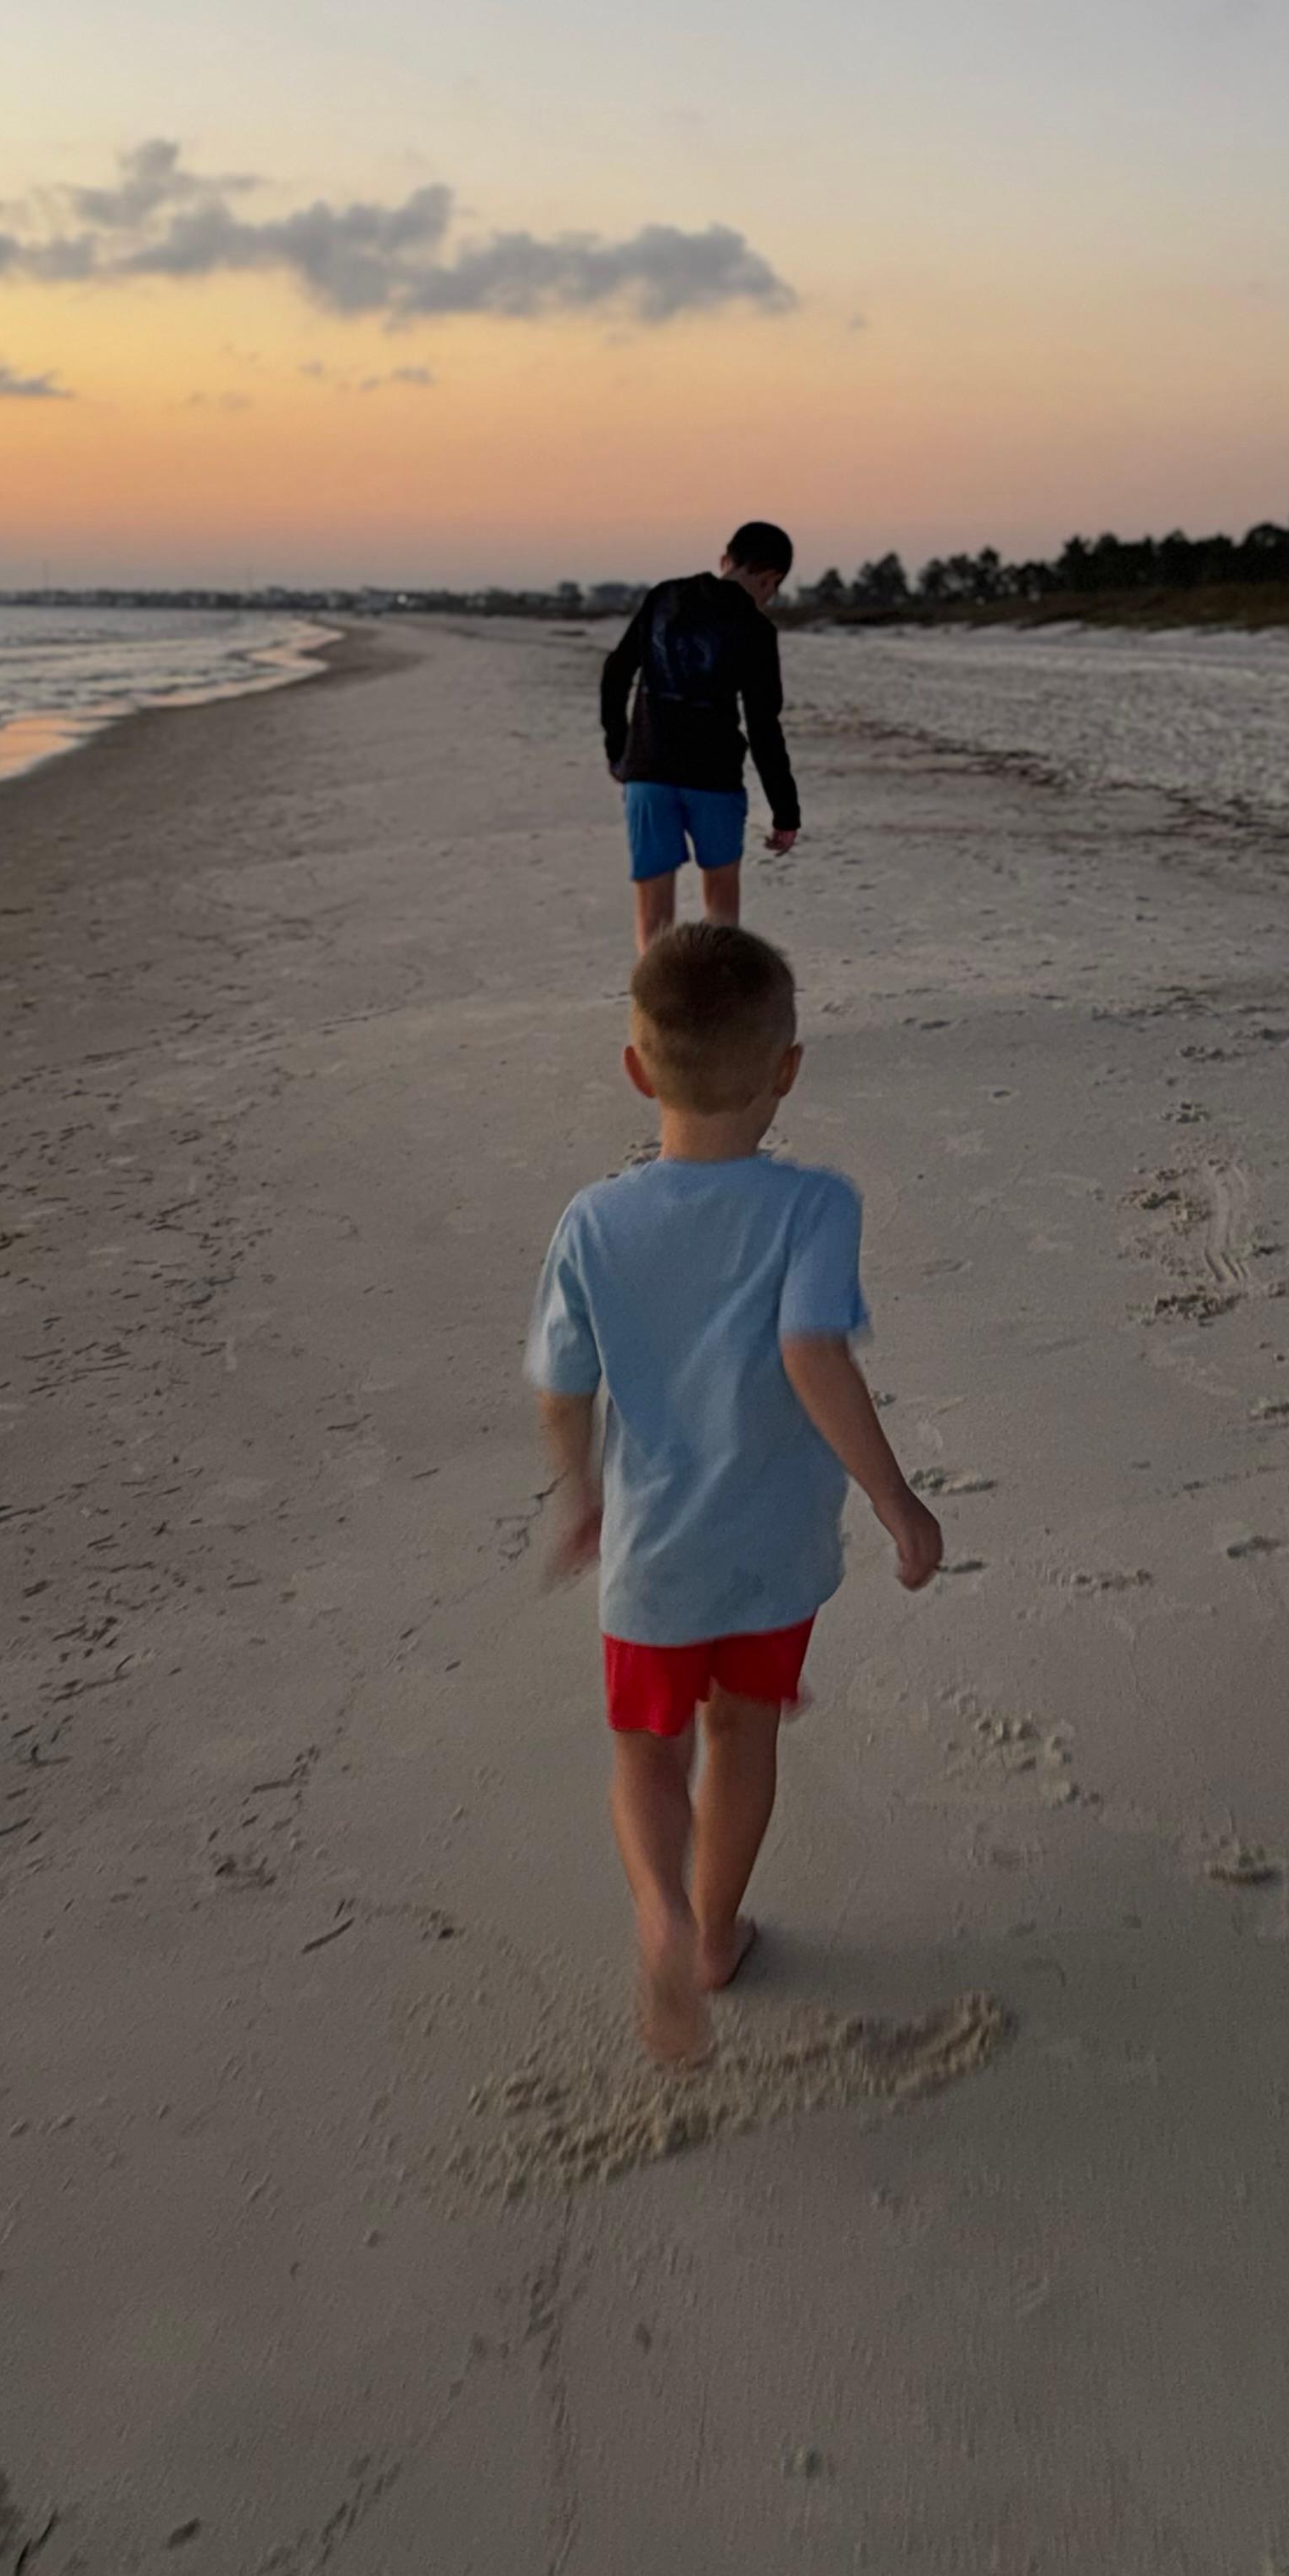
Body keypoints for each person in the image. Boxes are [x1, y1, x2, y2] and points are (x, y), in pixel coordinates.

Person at [526, 923, 944, 2062]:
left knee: (646, 1753)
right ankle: (713, 1935)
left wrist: (582, 1494)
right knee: (742, 1733)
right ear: (786, 1070)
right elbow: (814, 1353)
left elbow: (563, 1389)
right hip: (773, 1550)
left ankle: (660, 1910)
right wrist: (897, 1500)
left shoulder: (594, 1222)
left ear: (636, 1068)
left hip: (653, 1553)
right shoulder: (817, 1207)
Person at [601, 521, 803, 954]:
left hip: (648, 770)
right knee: (721, 895)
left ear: (726, 560)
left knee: (654, 899)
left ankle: (655, 993)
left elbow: (616, 673)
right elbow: (764, 726)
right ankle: (717, 989)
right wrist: (785, 810)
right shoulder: (756, 629)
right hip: (714, 777)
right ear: (772, 579)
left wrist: (619, 751)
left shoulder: (663, 598)